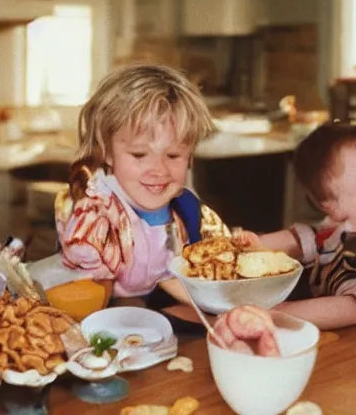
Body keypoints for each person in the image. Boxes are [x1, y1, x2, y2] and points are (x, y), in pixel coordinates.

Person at [52, 64, 230, 328]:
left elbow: (220, 270)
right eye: (138, 155)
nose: (158, 170)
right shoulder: (93, 215)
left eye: (173, 155)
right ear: (107, 153)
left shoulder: (190, 212)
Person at [244, 123, 356, 330]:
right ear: (334, 206)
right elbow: (304, 240)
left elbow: (352, 308)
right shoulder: (341, 233)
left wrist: (274, 313)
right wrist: (254, 245)